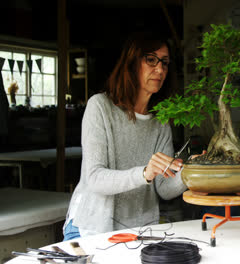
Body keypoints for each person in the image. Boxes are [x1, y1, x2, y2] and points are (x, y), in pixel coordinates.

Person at [63, 31, 187, 240]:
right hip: (91, 228)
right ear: (131, 62)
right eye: (151, 60)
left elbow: (164, 188)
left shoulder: (161, 120)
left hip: (140, 231)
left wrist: (193, 172)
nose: (160, 69)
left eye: (165, 62)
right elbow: (95, 178)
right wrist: (145, 173)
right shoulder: (100, 106)